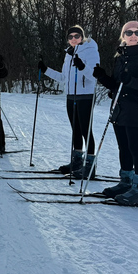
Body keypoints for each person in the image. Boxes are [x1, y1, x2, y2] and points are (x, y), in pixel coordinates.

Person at [93, 21, 138, 206]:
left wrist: (131, 80)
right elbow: (118, 85)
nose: (133, 35)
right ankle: (126, 182)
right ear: (123, 35)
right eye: (128, 32)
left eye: (137, 32)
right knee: (123, 148)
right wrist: (102, 77)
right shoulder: (121, 57)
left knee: (136, 148)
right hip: (120, 110)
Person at [38, 25, 100, 178]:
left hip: (85, 96)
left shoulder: (91, 50)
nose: (73, 39)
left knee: (86, 131)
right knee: (76, 131)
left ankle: (90, 167)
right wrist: (46, 70)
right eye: (70, 37)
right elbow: (63, 78)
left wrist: (83, 67)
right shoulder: (68, 53)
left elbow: (94, 76)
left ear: (82, 37)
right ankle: (77, 162)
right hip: (71, 96)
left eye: (77, 36)